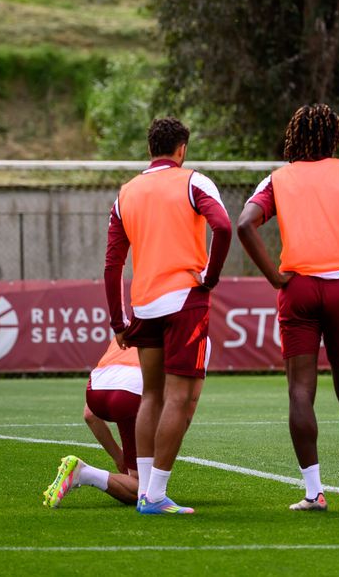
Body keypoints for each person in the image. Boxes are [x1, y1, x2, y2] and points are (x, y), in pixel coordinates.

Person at [238, 104, 339, 512]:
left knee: (300, 391)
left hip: (299, 289)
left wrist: (275, 277)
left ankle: (313, 493)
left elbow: (244, 224)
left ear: (294, 137)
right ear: (334, 138)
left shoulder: (277, 178)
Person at [104, 117, 231, 515]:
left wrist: (118, 323)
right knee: (178, 397)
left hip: (143, 305)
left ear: (149, 150)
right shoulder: (194, 181)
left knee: (152, 395)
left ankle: (143, 488)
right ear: (182, 149)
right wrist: (209, 276)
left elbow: (112, 265)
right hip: (184, 302)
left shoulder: (126, 194)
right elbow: (223, 227)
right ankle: (155, 495)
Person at [43, 337, 207, 508]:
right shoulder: (193, 334)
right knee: (143, 490)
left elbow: (89, 415)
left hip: (95, 392)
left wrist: (118, 457)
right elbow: (188, 404)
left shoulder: (132, 325)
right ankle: (84, 473)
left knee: (132, 411)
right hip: (134, 394)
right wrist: (166, 450)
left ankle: (91, 472)